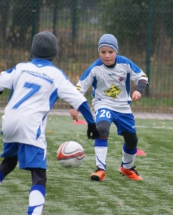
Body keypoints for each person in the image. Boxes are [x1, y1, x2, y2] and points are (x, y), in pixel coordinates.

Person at [0, 31, 99, 215]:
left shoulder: (20, 67)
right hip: (31, 127)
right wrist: (92, 124)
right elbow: (80, 101)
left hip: (8, 122)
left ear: (32, 50)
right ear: (55, 53)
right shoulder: (56, 75)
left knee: (8, 162)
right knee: (39, 176)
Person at [70, 33, 148, 181]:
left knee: (132, 141)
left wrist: (138, 90)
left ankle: (126, 168)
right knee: (102, 129)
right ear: (98, 52)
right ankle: (100, 169)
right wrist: (74, 106)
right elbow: (80, 87)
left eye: (110, 52)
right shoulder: (95, 68)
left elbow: (142, 77)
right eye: (103, 52)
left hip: (123, 107)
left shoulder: (125, 63)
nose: (106, 56)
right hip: (103, 104)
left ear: (116, 52)